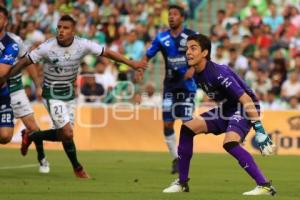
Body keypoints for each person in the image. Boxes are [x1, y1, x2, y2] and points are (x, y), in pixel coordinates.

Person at [0, 15, 146, 179]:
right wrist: (5, 78)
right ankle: (78, 168)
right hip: (52, 94)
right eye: (59, 27)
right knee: (68, 133)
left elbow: (108, 53)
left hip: (69, 94)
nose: (61, 31)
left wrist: (132, 64)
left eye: (65, 28)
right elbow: (24, 62)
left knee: (64, 135)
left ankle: (32, 135)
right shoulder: (47, 47)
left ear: (73, 31)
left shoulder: (82, 44)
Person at [162, 34, 277, 195]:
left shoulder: (218, 73)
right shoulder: (194, 72)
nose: (188, 52)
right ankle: (182, 183)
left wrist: (260, 129)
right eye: (187, 48)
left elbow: (245, 98)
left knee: (230, 143)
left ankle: (265, 185)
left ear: (204, 53)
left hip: (245, 107)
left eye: (193, 48)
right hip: (227, 109)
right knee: (188, 128)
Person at [143, 4, 197, 174]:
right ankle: (176, 158)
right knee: (167, 124)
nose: (171, 17)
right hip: (170, 87)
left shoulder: (191, 36)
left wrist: (193, 68)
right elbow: (149, 54)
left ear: (182, 18)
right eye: (170, 14)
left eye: (175, 14)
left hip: (187, 87)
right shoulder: (161, 37)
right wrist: (140, 67)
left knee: (188, 124)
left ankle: (185, 158)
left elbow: (204, 54)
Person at [7, 32, 50, 174]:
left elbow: (29, 62)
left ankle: (42, 159)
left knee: (34, 128)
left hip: (15, 91)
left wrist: (38, 85)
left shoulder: (15, 40)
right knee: (4, 136)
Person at [0, 6, 19, 145]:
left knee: (6, 137)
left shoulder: (11, 45)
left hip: (2, 95)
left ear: (5, 21)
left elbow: (1, 72)